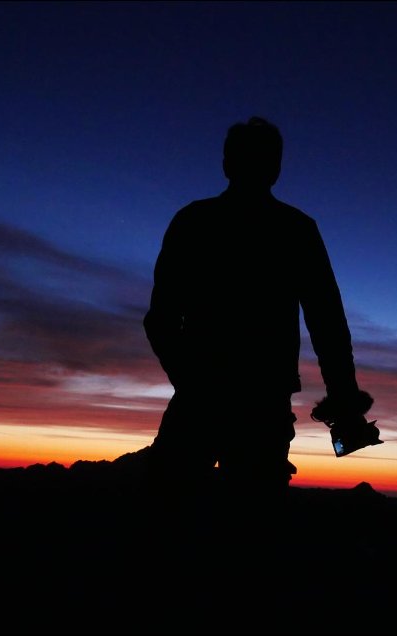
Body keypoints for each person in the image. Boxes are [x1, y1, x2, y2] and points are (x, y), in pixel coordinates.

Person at [143, 116, 377, 502]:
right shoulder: (296, 229)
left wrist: (191, 379)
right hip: (260, 403)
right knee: (252, 529)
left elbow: (162, 319)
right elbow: (328, 324)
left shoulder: (194, 221)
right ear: (276, 168)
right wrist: (345, 403)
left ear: (226, 164)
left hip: (203, 397)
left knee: (171, 514)